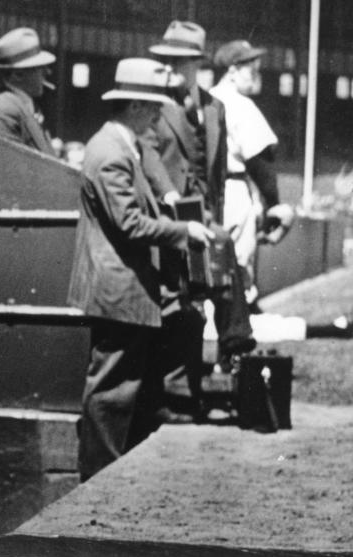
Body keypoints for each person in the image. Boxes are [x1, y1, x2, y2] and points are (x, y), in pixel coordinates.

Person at [67, 58, 214, 481]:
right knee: (111, 391)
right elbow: (129, 223)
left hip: (123, 288)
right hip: (117, 289)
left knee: (122, 387)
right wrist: (183, 229)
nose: (158, 117)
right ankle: (97, 480)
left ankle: (106, 474)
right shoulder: (111, 152)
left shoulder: (121, 145)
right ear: (133, 107)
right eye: (153, 108)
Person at [145, 20, 255, 417]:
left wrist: (216, 217)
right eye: (166, 62)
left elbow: (218, 174)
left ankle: (231, 363)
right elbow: (150, 154)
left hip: (206, 219)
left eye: (179, 63)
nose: (171, 70)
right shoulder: (152, 107)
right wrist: (170, 195)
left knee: (220, 287)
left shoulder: (215, 108)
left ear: (196, 65)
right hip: (171, 221)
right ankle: (178, 398)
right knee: (180, 306)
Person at [210, 39, 295, 310]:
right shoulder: (241, 104)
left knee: (211, 269)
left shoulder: (206, 98)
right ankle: (237, 339)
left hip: (206, 194)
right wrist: (275, 206)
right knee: (239, 268)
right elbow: (261, 162)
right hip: (234, 190)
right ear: (232, 70)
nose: (256, 75)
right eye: (250, 69)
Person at [0, 27, 59, 156]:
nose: (47, 72)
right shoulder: (4, 113)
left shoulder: (23, 107)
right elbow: (9, 170)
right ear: (18, 74)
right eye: (40, 68)